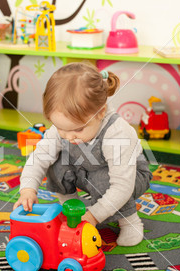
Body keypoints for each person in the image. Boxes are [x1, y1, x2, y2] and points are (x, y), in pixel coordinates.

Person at [13, 62, 152, 246]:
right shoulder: (64, 129)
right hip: (87, 170)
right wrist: (28, 189)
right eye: (61, 128)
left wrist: (95, 215)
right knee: (55, 163)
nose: (69, 136)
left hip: (130, 178)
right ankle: (71, 208)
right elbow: (39, 158)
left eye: (77, 129)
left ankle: (130, 222)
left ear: (100, 112)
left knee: (103, 180)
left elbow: (122, 186)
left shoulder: (117, 133)